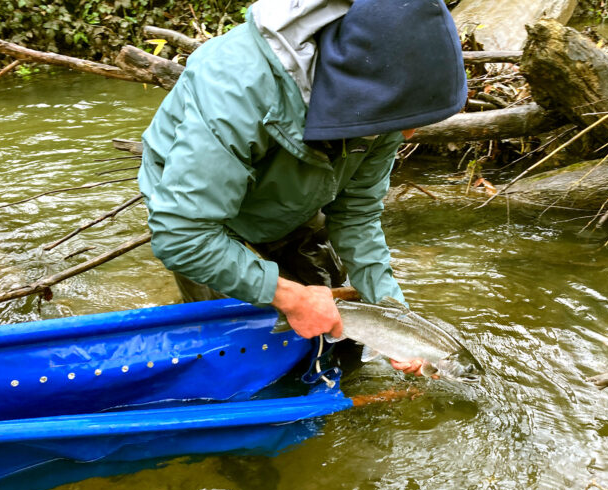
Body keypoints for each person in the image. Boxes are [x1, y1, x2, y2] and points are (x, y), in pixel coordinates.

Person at [138, 0, 467, 375]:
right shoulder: (236, 88)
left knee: (339, 345)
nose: (408, 134)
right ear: (362, 89)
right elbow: (183, 236)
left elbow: (356, 214)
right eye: (408, 119)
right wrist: (288, 296)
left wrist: (397, 321)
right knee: (232, 356)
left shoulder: (385, 103)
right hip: (202, 214)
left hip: (296, 194)